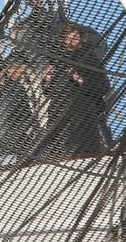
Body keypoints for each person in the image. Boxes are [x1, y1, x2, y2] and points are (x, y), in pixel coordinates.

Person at [42, 21, 112, 156]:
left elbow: (103, 87)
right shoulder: (58, 59)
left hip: (83, 111)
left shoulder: (89, 58)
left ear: (81, 38)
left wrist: (80, 80)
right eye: (68, 38)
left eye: (74, 38)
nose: (71, 41)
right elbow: (48, 91)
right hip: (59, 110)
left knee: (83, 149)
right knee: (57, 147)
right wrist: (47, 79)